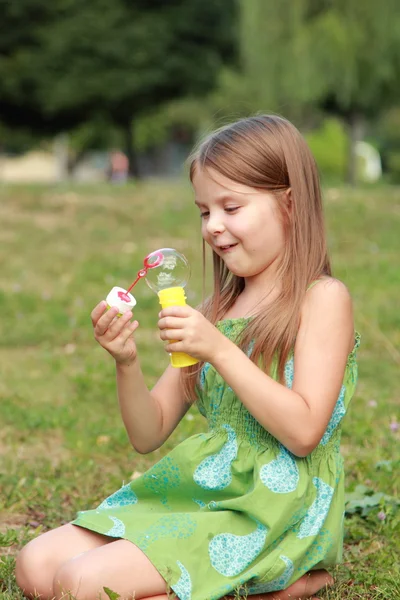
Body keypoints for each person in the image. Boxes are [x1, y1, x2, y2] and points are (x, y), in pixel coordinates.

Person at [15, 115, 360, 600]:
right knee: (35, 566)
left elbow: (304, 433)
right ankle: (263, 590)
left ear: (290, 203)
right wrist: (126, 361)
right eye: (204, 212)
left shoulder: (320, 298)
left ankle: (290, 581)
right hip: (205, 492)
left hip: (272, 507)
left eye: (231, 207)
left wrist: (219, 349)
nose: (213, 227)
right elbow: (148, 431)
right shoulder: (212, 312)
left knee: (79, 583)